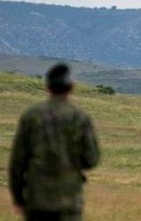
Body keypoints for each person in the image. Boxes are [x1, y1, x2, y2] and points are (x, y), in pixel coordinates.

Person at [9, 63, 100, 221]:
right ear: (71, 87)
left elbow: (17, 162)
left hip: (37, 200)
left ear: (47, 87)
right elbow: (92, 159)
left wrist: (18, 198)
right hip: (69, 201)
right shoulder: (79, 117)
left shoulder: (31, 116)